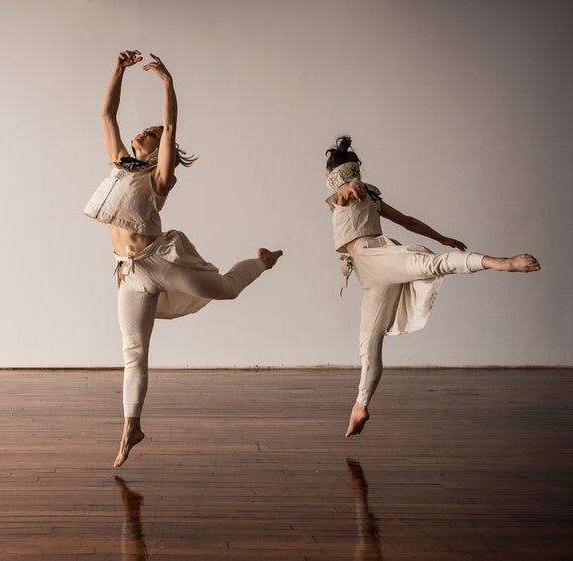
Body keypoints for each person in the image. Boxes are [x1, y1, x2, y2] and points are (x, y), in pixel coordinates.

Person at [85, 50, 282, 467]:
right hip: (129, 273)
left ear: (162, 151)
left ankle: (262, 261)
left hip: (160, 261)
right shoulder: (121, 164)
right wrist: (117, 70)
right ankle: (130, 426)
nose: (143, 132)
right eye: (145, 131)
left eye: (151, 135)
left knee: (226, 290)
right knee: (134, 353)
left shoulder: (159, 177)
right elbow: (106, 116)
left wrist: (168, 83)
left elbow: (172, 124)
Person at [324, 135, 540, 438]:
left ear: (335, 175)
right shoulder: (354, 195)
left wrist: (442, 239)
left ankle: (500, 262)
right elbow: (403, 219)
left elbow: (355, 194)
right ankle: (361, 406)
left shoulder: (357, 192)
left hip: (375, 257)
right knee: (368, 347)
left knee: (429, 264)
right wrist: (443, 238)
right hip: (370, 277)